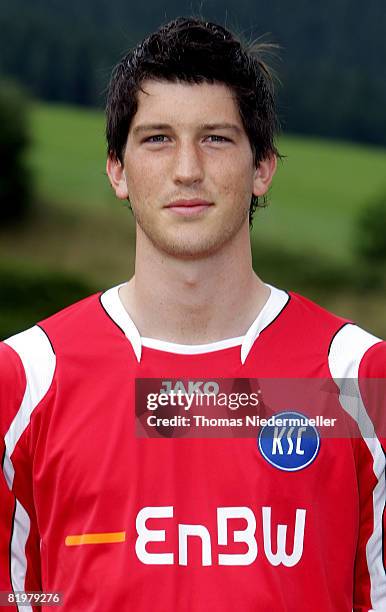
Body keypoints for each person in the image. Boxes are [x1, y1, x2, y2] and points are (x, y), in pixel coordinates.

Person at [1, 16, 385, 612]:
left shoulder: (358, 379)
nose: (187, 170)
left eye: (216, 138)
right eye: (157, 138)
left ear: (262, 168)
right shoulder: (24, 381)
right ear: (117, 170)